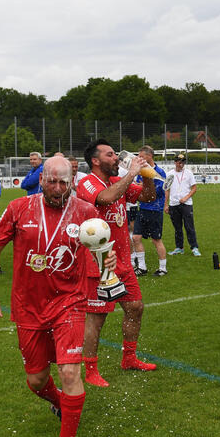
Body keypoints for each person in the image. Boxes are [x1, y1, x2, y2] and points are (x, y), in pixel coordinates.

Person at [0, 156, 107, 437]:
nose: (58, 188)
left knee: (69, 374)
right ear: (41, 178)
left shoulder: (86, 212)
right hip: (28, 306)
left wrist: (109, 272)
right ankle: (60, 403)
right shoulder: (18, 208)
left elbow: (103, 248)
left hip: (70, 303)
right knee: (36, 379)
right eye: (52, 181)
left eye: (65, 182)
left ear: (71, 182)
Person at [76, 140, 158, 387]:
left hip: (122, 262)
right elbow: (105, 198)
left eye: (115, 154)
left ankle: (129, 358)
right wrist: (131, 172)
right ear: (96, 161)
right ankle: (91, 370)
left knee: (135, 307)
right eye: (110, 154)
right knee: (96, 320)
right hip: (99, 263)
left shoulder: (116, 182)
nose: (116, 158)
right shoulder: (87, 182)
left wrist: (147, 176)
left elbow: (148, 196)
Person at [131, 146, 168, 276]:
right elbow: (137, 187)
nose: (139, 159)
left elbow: (157, 192)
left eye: (142, 156)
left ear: (150, 156)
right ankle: (142, 267)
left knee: (156, 240)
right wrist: (141, 187)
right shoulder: (141, 171)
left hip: (155, 210)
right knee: (136, 237)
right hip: (143, 209)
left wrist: (142, 187)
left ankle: (163, 268)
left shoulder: (160, 172)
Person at [166, 154, 199, 257]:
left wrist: (186, 197)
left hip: (186, 204)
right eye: (179, 162)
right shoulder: (169, 174)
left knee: (189, 227)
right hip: (173, 204)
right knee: (177, 228)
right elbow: (166, 189)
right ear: (175, 162)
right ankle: (179, 248)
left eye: (183, 162)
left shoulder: (189, 173)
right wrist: (165, 205)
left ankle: (194, 247)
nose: (181, 164)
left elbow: (194, 188)